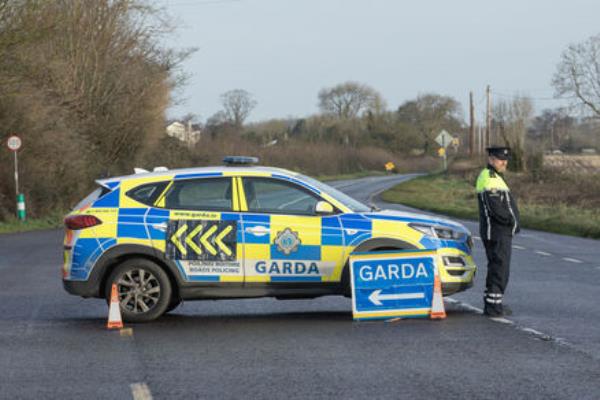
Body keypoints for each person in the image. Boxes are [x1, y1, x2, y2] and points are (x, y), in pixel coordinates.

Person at [476, 146, 520, 317]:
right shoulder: (489, 178)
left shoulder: (495, 177)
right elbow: (496, 209)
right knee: (499, 268)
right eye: (501, 159)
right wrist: (510, 222)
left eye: (505, 160)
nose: (504, 162)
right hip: (496, 231)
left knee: (497, 266)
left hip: (498, 231)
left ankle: (493, 303)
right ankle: (493, 307)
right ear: (491, 159)